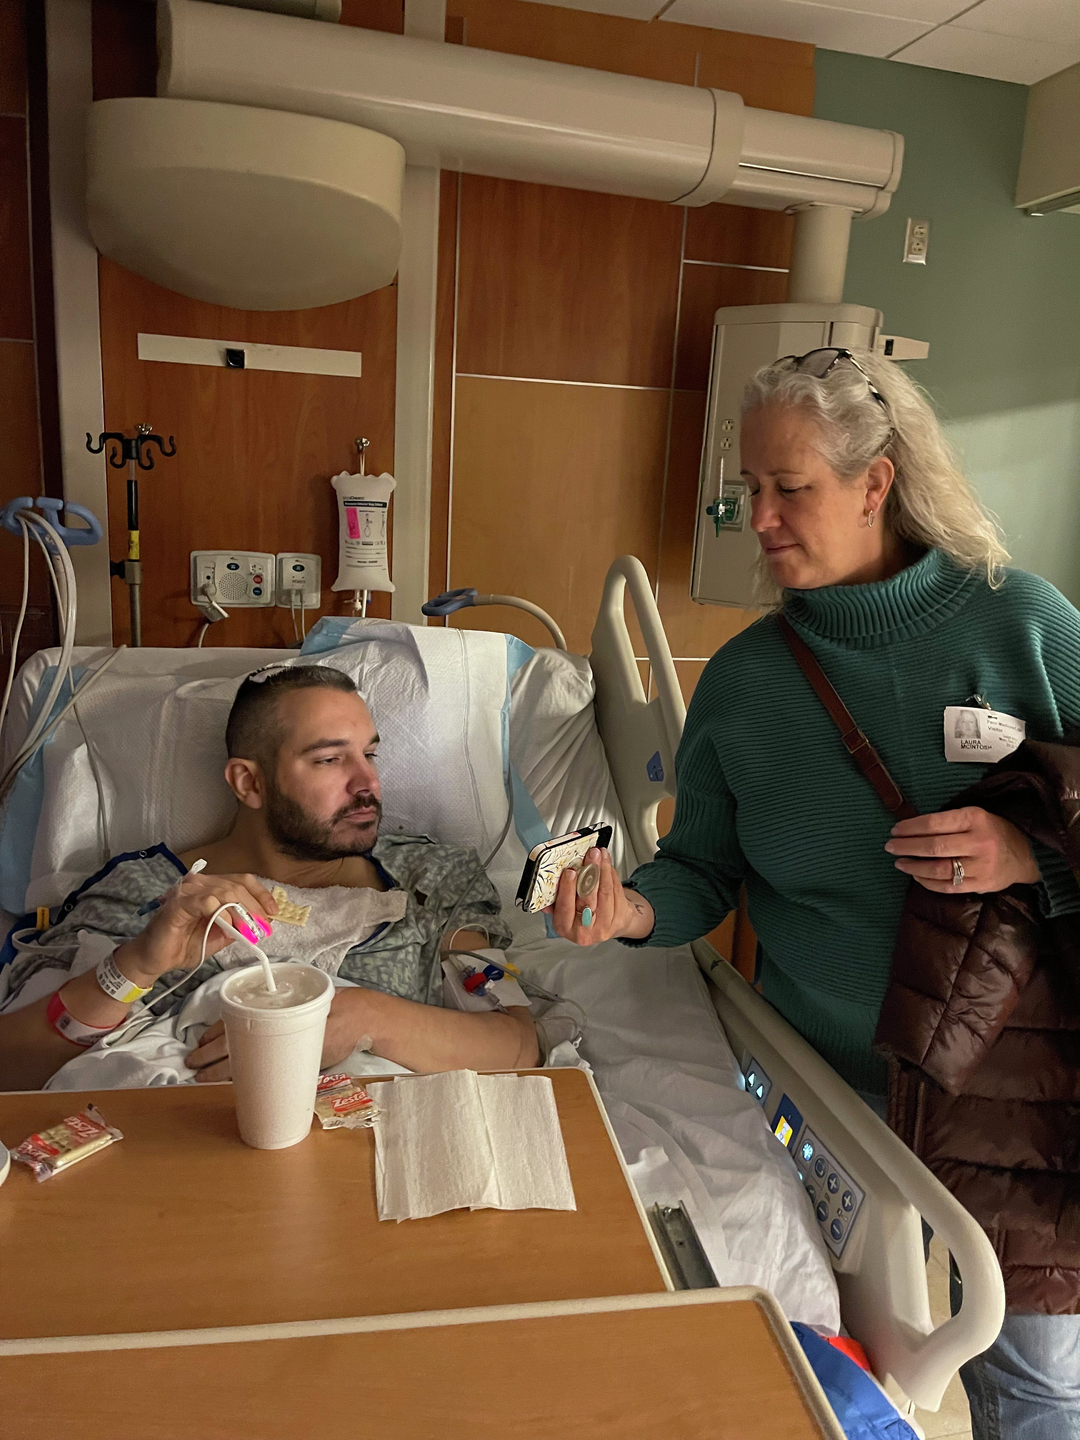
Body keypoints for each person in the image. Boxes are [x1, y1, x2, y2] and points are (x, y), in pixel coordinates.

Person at [551, 348, 1080, 1438]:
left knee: (1033, 1379)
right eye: (750, 488)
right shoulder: (748, 684)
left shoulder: (1021, 625)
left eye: (790, 488)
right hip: (826, 1091)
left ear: (875, 482)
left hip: (1007, 1084)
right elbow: (702, 868)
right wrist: (632, 910)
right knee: (831, 1368)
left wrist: (1033, 858)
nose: (761, 519)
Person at [0, 665, 538, 1090]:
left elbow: (515, 1045)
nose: (368, 783)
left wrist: (363, 1017)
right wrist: (135, 965)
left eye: (370, 754)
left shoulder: (430, 880)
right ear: (249, 783)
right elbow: (12, 1070)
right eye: (330, 760)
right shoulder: (144, 893)